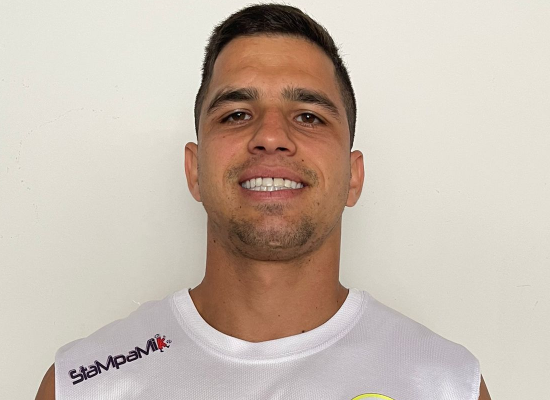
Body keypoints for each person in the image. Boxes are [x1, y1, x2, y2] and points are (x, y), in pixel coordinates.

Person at [36, 4, 491, 399]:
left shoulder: (446, 385)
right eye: (237, 114)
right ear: (194, 171)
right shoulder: (83, 385)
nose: (271, 136)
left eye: (308, 116)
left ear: (353, 177)